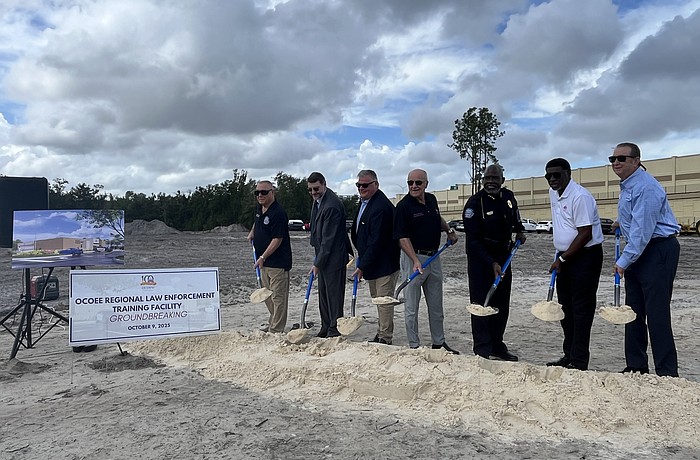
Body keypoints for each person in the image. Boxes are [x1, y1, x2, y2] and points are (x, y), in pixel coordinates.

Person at [611, 142, 680, 377]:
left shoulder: (646, 187)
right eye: (613, 159)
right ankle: (636, 365)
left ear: (636, 160)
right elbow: (636, 218)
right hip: (639, 250)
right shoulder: (629, 184)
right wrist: (621, 222)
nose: (616, 162)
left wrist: (623, 262)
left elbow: (643, 231)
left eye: (622, 158)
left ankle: (667, 372)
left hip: (657, 250)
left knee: (656, 312)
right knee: (633, 311)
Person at [543, 158, 604, 371]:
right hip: (565, 257)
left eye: (557, 174)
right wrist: (560, 254)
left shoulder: (580, 197)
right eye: (548, 175)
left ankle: (579, 361)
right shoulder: (553, 193)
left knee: (581, 310)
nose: (552, 179)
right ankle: (569, 354)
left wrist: (562, 259)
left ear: (568, 173)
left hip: (585, 257)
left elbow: (586, 233)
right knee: (565, 309)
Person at [463, 164, 526, 361]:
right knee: (481, 304)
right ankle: (482, 349)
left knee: (501, 304)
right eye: (487, 178)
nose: (490, 182)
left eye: (494, 178)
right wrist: (491, 263)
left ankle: (497, 346)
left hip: (504, 257)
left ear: (502, 180)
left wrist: (520, 230)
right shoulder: (474, 204)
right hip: (481, 260)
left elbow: (515, 217)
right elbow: (473, 240)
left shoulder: (508, 197)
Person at [394, 169, 459, 353]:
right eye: (410, 183)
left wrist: (449, 231)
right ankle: (414, 346)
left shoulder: (431, 199)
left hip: (434, 257)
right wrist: (415, 260)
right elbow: (402, 238)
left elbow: (437, 218)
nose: (414, 186)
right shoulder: (403, 207)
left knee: (436, 305)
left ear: (426, 184)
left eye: (418, 182)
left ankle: (439, 343)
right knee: (411, 306)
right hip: (413, 260)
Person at [350, 170, 400, 345]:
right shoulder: (365, 202)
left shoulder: (381, 207)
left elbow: (376, 241)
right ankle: (381, 333)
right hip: (371, 261)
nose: (361, 188)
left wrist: (362, 266)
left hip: (384, 264)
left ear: (376, 185)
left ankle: (385, 337)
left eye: (365, 185)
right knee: (377, 300)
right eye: (359, 185)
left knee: (384, 301)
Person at [308, 172, 352, 338]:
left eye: (316, 188)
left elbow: (329, 240)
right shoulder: (318, 201)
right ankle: (325, 327)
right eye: (310, 189)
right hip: (323, 256)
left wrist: (317, 263)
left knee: (334, 296)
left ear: (324, 184)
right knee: (323, 294)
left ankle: (334, 329)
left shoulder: (332, 205)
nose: (313, 192)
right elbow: (316, 232)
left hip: (334, 258)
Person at [247, 180, 292, 333]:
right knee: (266, 296)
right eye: (257, 192)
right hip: (263, 263)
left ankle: (277, 329)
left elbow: (277, 239)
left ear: (272, 192)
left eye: (264, 192)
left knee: (278, 297)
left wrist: (263, 257)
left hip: (277, 262)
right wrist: (253, 231)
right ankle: (273, 322)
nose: (260, 195)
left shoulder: (278, 213)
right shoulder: (259, 208)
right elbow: (257, 221)